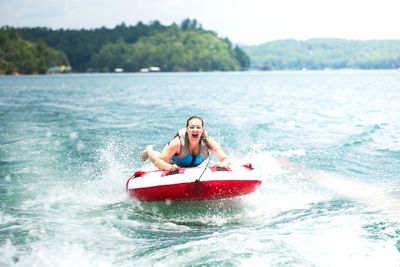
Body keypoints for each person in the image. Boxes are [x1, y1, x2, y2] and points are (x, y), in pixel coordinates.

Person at [141, 115, 230, 172]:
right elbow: (158, 162)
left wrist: (223, 164)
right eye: (192, 127)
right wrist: (169, 167)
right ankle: (149, 150)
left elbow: (225, 158)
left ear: (202, 130)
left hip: (191, 164)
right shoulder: (178, 143)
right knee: (157, 157)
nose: (195, 130)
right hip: (172, 162)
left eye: (198, 127)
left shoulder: (208, 142)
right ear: (187, 130)